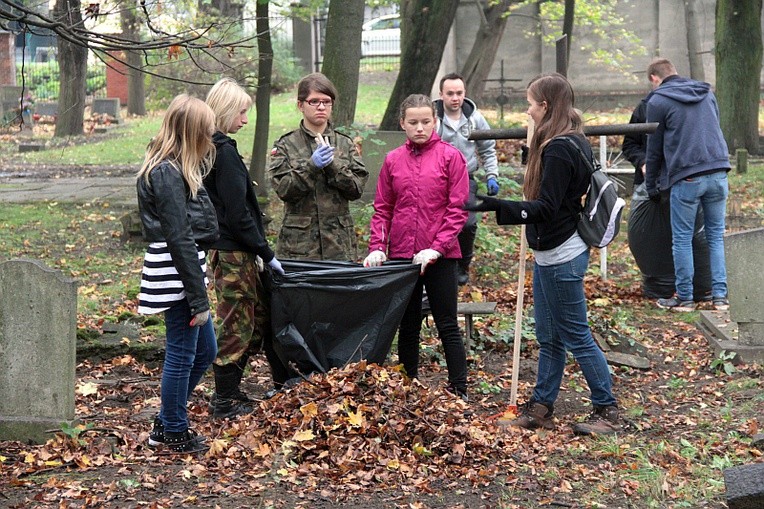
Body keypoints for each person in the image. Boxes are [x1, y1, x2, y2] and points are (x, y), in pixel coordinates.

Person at [467, 73, 621, 435]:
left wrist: (493, 205)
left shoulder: (560, 147)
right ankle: (541, 407)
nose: (528, 110)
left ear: (546, 106)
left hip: (563, 254)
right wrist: (532, 148)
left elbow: (548, 207)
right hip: (551, 253)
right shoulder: (568, 140)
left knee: (576, 335)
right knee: (549, 337)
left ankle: (607, 410)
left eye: (531, 104)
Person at [363, 94, 470, 401]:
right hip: (401, 255)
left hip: (441, 256)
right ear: (403, 124)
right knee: (406, 323)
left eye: (426, 121)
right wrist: (376, 246)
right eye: (413, 122)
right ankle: (407, 386)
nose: (420, 128)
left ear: (435, 122)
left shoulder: (451, 157)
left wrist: (437, 248)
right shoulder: (394, 160)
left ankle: (458, 389)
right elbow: (383, 208)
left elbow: (457, 209)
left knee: (447, 321)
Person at [137, 94, 219, 453]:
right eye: (207, 132)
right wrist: (198, 298)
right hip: (176, 270)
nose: (211, 140)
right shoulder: (166, 172)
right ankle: (173, 428)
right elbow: (178, 236)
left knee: (205, 351)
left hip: (184, 267)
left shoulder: (177, 167)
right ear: (192, 132)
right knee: (183, 353)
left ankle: (168, 416)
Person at [203, 78, 289, 420]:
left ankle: (231, 392)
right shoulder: (221, 152)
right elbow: (237, 213)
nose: (245, 118)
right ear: (225, 111)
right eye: (241, 111)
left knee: (250, 320)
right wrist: (265, 252)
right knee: (236, 323)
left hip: (235, 250)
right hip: (233, 250)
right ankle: (223, 400)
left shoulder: (215, 147)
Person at [644, 58, 731, 312]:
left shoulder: (658, 101)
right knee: (715, 236)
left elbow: (654, 149)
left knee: (682, 239)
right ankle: (720, 298)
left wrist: (652, 187)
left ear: (654, 78)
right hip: (718, 170)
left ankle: (685, 298)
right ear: (675, 72)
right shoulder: (706, 93)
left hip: (688, 175)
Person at [269, 72, 369, 261]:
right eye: (314, 101)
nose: (321, 107)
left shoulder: (345, 144)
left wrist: (333, 166)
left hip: (338, 245)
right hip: (299, 248)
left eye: (327, 101)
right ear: (301, 105)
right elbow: (283, 190)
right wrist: (311, 167)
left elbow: (356, 189)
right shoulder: (285, 145)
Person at [434, 72, 501, 285]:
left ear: (465, 93)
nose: (455, 98)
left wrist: (492, 175)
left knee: (467, 224)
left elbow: (488, 148)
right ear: (441, 95)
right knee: (437, 223)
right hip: (437, 180)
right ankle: (440, 265)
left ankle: (463, 264)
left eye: (459, 93)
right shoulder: (434, 118)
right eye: (450, 93)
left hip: (465, 178)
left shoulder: (475, 118)